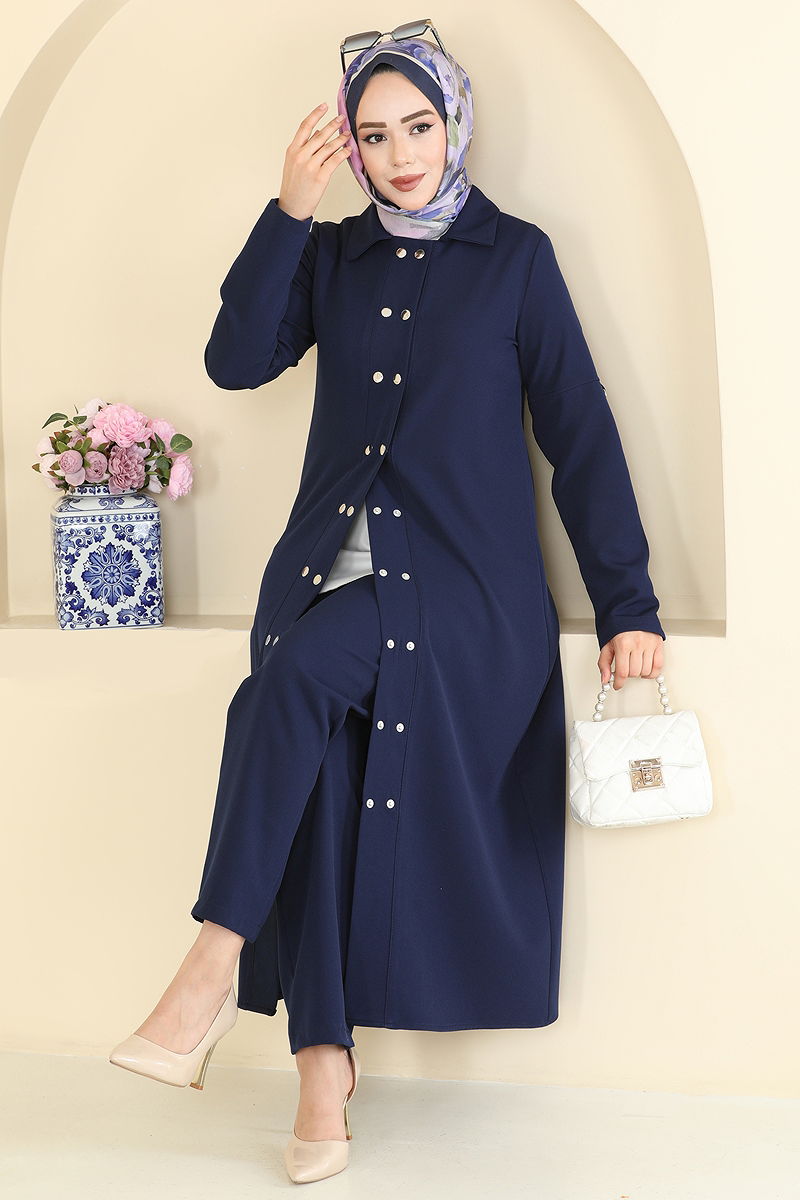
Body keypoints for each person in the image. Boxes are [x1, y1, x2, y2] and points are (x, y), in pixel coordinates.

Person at [109, 29, 666, 1186]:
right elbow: (235, 361)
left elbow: (581, 438)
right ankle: (324, 1079)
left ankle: (208, 969)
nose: (400, 154)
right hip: (326, 584)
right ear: (348, 149)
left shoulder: (514, 259)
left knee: (286, 687)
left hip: (465, 600)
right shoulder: (335, 255)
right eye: (372, 134)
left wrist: (628, 601)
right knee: (310, 759)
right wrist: (287, 210)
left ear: (453, 123)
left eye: (418, 126)